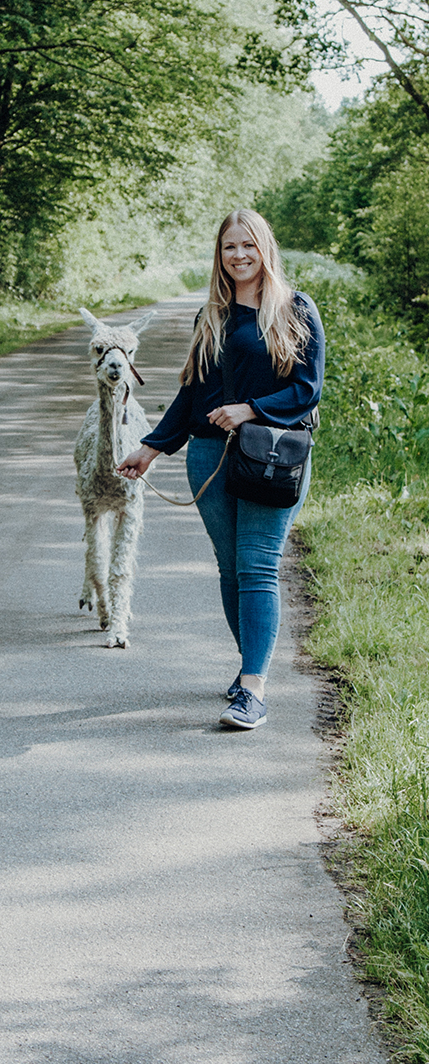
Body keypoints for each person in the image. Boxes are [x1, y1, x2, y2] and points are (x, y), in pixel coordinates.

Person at [116, 209, 324, 731]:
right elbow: (193, 395)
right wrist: (152, 448)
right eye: (229, 247)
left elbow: (307, 389)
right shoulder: (212, 314)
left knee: (257, 564)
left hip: (271, 452)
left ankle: (253, 688)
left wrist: (250, 409)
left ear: (265, 249)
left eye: (248, 246)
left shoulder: (296, 309)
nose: (239, 256)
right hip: (209, 454)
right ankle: (248, 667)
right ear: (220, 254)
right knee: (230, 567)